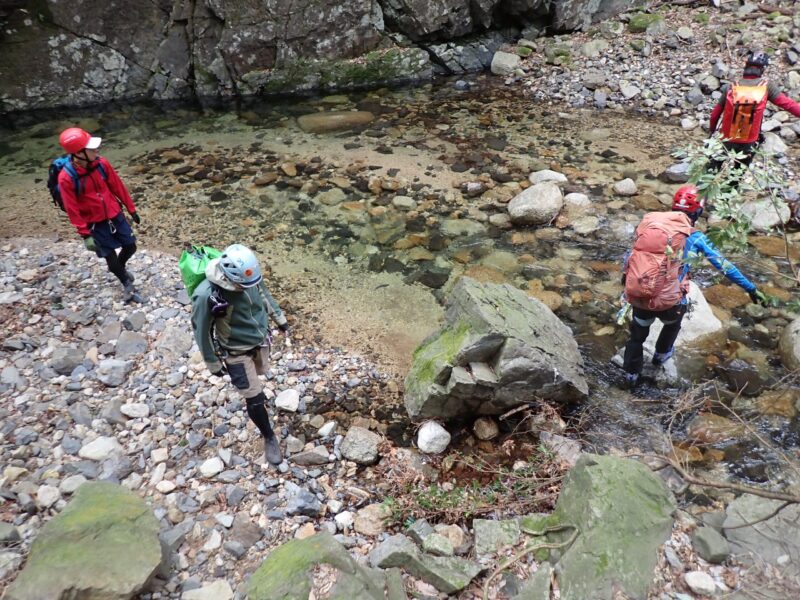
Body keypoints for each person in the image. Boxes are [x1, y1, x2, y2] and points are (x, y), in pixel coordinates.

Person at [620, 184, 767, 387]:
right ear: (698, 211)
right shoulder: (695, 237)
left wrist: (626, 286)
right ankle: (660, 356)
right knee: (672, 325)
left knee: (637, 336)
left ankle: (630, 375)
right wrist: (751, 288)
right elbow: (724, 265)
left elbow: (632, 259)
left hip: (641, 297)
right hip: (670, 303)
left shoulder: (650, 226)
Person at [190, 244, 290, 465]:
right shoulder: (206, 295)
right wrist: (213, 362)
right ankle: (268, 436)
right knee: (254, 398)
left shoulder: (250, 277)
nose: (249, 287)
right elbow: (201, 330)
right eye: (243, 286)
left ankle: (258, 394)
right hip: (235, 351)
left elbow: (264, 294)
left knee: (260, 373)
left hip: (260, 339)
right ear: (229, 277)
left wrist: (279, 319)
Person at [57, 127, 143, 303]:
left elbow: (117, 185)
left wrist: (131, 208)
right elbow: (72, 209)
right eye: (91, 149)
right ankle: (126, 283)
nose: (96, 151)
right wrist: (85, 234)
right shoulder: (66, 178)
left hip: (114, 214)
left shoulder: (102, 164)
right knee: (109, 256)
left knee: (130, 246)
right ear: (79, 153)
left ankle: (119, 268)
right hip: (94, 224)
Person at [708, 50, 800, 173]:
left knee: (711, 171)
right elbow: (789, 105)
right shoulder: (767, 87)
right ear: (762, 69)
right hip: (748, 141)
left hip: (725, 138)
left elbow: (715, 115)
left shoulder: (731, 86)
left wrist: (712, 131)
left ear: (746, 66)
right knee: (737, 174)